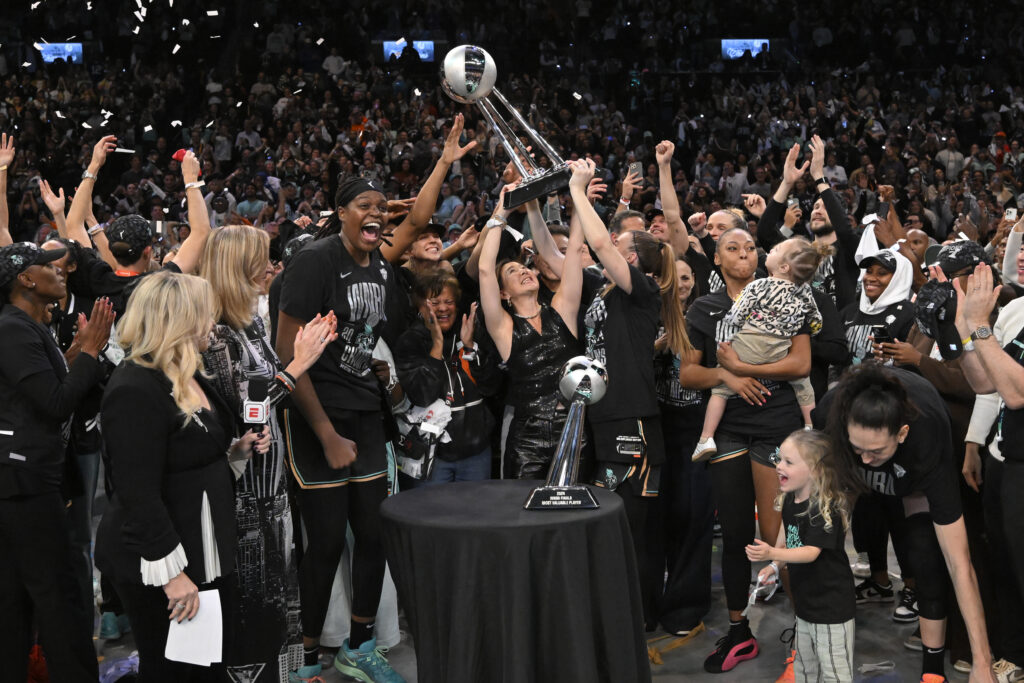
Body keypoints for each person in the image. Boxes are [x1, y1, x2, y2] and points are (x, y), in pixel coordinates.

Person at [95, 271, 269, 682]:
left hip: (201, 545)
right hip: (163, 560)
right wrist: (172, 576)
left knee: (203, 663)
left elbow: (185, 458)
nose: (213, 323)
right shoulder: (134, 387)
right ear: (178, 320)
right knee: (174, 668)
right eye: (205, 315)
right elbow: (136, 492)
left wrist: (235, 452)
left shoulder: (188, 371)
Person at [276, 176, 407, 683]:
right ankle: (307, 657)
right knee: (327, 541)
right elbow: (288, 350)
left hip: (364, 411)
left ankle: (361, 643)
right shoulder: (314, 260)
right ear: (341, 212)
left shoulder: (380, 265)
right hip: (317, 414)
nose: (375, 213)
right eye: (363, 205)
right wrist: (326, 433)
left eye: (381, 206)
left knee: (374, 534)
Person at [199, 225, 337, 683]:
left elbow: (267, 386)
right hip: (244, 495)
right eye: (262, 259)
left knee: (281, 594)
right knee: (254, 602)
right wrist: (299, 365)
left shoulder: (252, 323)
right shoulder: (216, 333)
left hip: (272, 484)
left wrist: (299, 353)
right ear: (237, 266)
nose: (271, 268)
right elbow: (247, 413)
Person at [679, 226, 811, 673]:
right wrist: (728, 377)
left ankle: (807, 633)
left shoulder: (787, 295)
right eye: (732, 249)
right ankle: (739, 631)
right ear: (717, 260)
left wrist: (743, 365)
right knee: (736, 535)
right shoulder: (704, 307)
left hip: (777, 427)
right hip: (729, 430)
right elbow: (688, 374)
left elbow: (802, 363)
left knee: (783, 538)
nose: (743, 255)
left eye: (750, 247)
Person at [815, 364, 996, 683]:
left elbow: (960, 564)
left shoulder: (927, 435)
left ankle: (932, 670)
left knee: (927, 557)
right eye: (858, 449)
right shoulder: (830, 415)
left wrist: (984, 663)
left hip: (916, 476)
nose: (866, 460)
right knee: (820, 548)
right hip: (858, 467)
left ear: (902, 433)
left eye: (874, 451)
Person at [575, 157, 689, 628]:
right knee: (608, 522)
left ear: (635, 259)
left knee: (633, 528)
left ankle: (639, 618)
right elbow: (575, 249)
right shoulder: (607, 291)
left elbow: (599, 241)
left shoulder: (640, 290)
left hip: (632, 420)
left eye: (621, 247)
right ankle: (616, 613)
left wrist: (579, 191)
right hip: (605, 416)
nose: (609, 251)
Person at [0, 242, 114, 682]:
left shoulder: (28, 325)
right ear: (26, 279)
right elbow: (55, 402)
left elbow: (45, 387)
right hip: (25, 481)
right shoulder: (12, 328)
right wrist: (90, 351)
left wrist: (79, 351)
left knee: (17, 597)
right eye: (48, 265)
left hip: (24, 477)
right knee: (58, 595)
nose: (61, 269)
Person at [477, 178, 584, 479]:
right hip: (526, 438)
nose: (524, 269)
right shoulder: (502, 326)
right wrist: (502, 209)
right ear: (503, 293)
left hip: (573, 431)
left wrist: (577, 195)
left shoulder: (562, 309)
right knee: (523, 517)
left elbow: (574, 253)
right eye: (513, 271)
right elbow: (485, 269)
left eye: (525, 267)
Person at [693, 238, 827, 460]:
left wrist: (728, 346)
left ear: (784, 266)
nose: (768, 251)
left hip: (750, 347)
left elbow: (736, 314)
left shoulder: (759, 285)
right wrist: (812, 328)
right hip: (779, 350)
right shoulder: (803, 290)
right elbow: (815, 319)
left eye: (773, 250)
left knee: (721, 391)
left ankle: (706, 438)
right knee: (803, 386)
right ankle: (810, 427)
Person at [747, 429, 858, 683]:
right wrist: (775, 566)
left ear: (816, 470)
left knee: (834, 672)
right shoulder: (790, 498)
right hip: (807, 605)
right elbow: (788, 533)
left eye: (788, 462)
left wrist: (772, 553)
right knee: (805, 668)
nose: (778, 466)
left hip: (831, 609)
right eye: (779, 459)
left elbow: (810, 552)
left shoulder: (823, 506)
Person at [394, 272, 500, 484]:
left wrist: (470, 348)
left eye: (449, 302)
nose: (443, 308)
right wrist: (437, 346)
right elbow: (423, 396)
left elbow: (492, 387)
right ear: (419, 306)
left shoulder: (470, 332)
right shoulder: (410, 341)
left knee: (475, 515)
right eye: (434, 302)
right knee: (431, 515)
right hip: (431, 454)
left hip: (476, 451)